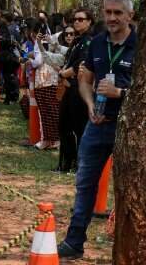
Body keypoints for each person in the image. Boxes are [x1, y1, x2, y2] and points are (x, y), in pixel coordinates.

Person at [58, 0, 137, 259]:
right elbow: (84, 80)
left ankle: (128, 247)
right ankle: (74, 241)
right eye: (108, 12)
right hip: (97, 124)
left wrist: (121, 93)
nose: (112, 18)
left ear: (130, 15)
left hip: (129, 128)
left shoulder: (142, 44)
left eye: (118, 13)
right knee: (84, 183)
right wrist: (91, 105)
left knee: (130, 187)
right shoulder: (97, 43)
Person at [56, 9, 94, 172]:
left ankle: (79, 163)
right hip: (68, 87)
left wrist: (65, 73)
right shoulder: (77, 41)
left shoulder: (88, 41)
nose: (77, 22)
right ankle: (66, 162)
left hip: (80, 88)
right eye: (75, 19)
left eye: (81, 19)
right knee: (64, 126)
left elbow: (81, 64)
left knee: (79, 128)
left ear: (89, 21)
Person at [0, 12, 21, 105]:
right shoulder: (15, 27)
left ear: (5, 18)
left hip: (9, 56)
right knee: (11, 76)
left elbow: (6, 42)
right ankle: (11, 96)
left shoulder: (8, 28)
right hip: (12, 55)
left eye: (2, 17)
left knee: (9, 77)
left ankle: (12, 97)